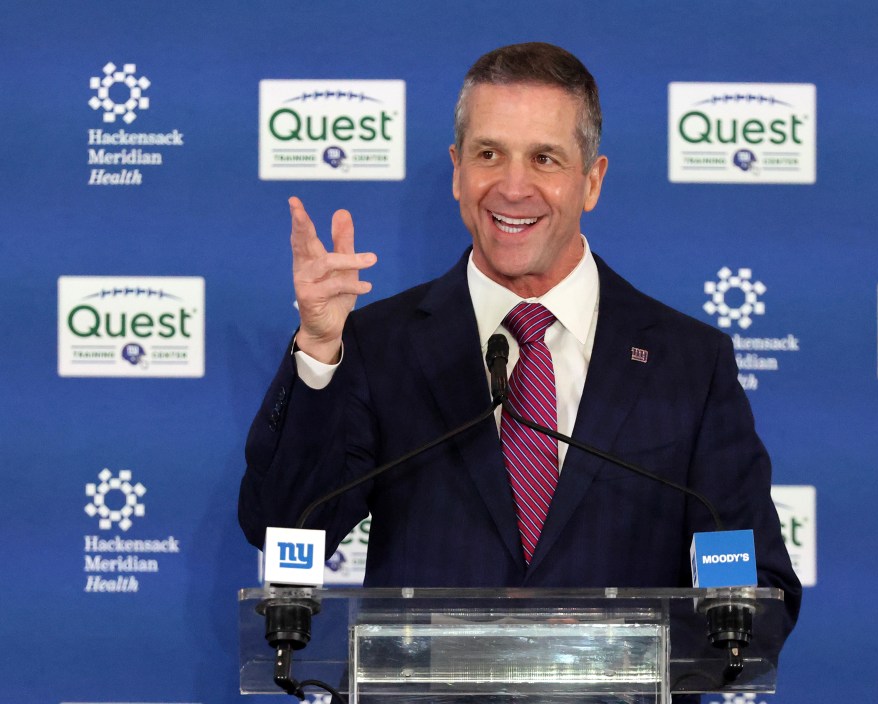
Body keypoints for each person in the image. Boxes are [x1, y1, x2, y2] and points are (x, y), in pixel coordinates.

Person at [240, 42, 800, 652]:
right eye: (489, 154)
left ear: (592, 180)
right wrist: (321, 351)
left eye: (544, 158)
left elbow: (755, 594)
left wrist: (615, 655)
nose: (512, 187)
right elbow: (289, 529)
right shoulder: (379, 345)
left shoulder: (689, 363)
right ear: (456, 171)